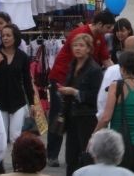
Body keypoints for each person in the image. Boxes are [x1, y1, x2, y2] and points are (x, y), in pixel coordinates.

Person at [46, 11, 115, 166]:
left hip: (80, 81)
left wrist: (117, 75)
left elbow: (106, 59)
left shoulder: (100, 38)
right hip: (62, 79)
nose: (109, 31)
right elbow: (76, 63)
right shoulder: (80, 34)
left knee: (76, 121)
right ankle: (52, 154)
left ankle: (79, 155)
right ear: (99, 25)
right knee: (59, 116)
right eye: (108, 27)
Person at [57, 33, 104, 176]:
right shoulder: (73, 64)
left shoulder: (94, 69)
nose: (77, 48)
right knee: (71, 155)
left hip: (87, 117)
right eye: (75, 45)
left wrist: (74, 92)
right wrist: (63, 92)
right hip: (72, 115)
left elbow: (96, 96)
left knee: (86, 154)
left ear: (89, 49)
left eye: (81, 45)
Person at [0, 24, 35, 147]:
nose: (5, 38)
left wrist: (32, 103)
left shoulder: (23, 57)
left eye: (8, 35)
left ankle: (17, 163)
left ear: (15, 37)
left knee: (15, 136)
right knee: (0, 136)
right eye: (3, 36)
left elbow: (27, 81)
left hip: (18, 101)